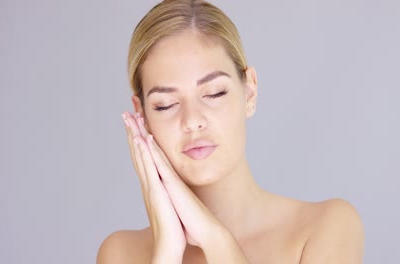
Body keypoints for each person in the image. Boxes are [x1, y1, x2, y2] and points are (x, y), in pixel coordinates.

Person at [97, 0, 364, 263]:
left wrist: (216, 239)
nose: (192, 120)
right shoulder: (121, 253)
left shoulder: (325, 228)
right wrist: (167, 252)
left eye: (214, 93)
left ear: (249, 92)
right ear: (141, 115)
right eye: (165, 105)